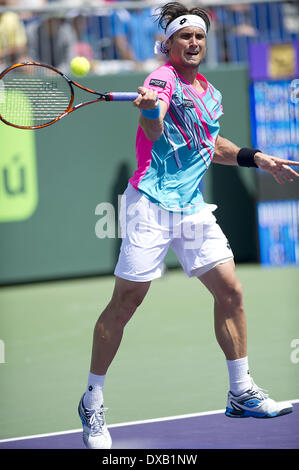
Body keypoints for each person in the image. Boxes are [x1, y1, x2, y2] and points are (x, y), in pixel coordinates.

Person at [78, 2, 298, 450]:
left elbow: (211, 144)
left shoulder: (211, 93)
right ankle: (92, 400)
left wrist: (258, 158)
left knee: (231, 291)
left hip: (192, 206)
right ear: (169, 44)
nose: (193, 43)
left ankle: (240, 393)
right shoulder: (161, 79)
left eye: (199, 36)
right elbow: (156, 127)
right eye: (185, 37)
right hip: (151, 204)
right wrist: (148, 110)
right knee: (126, 302)